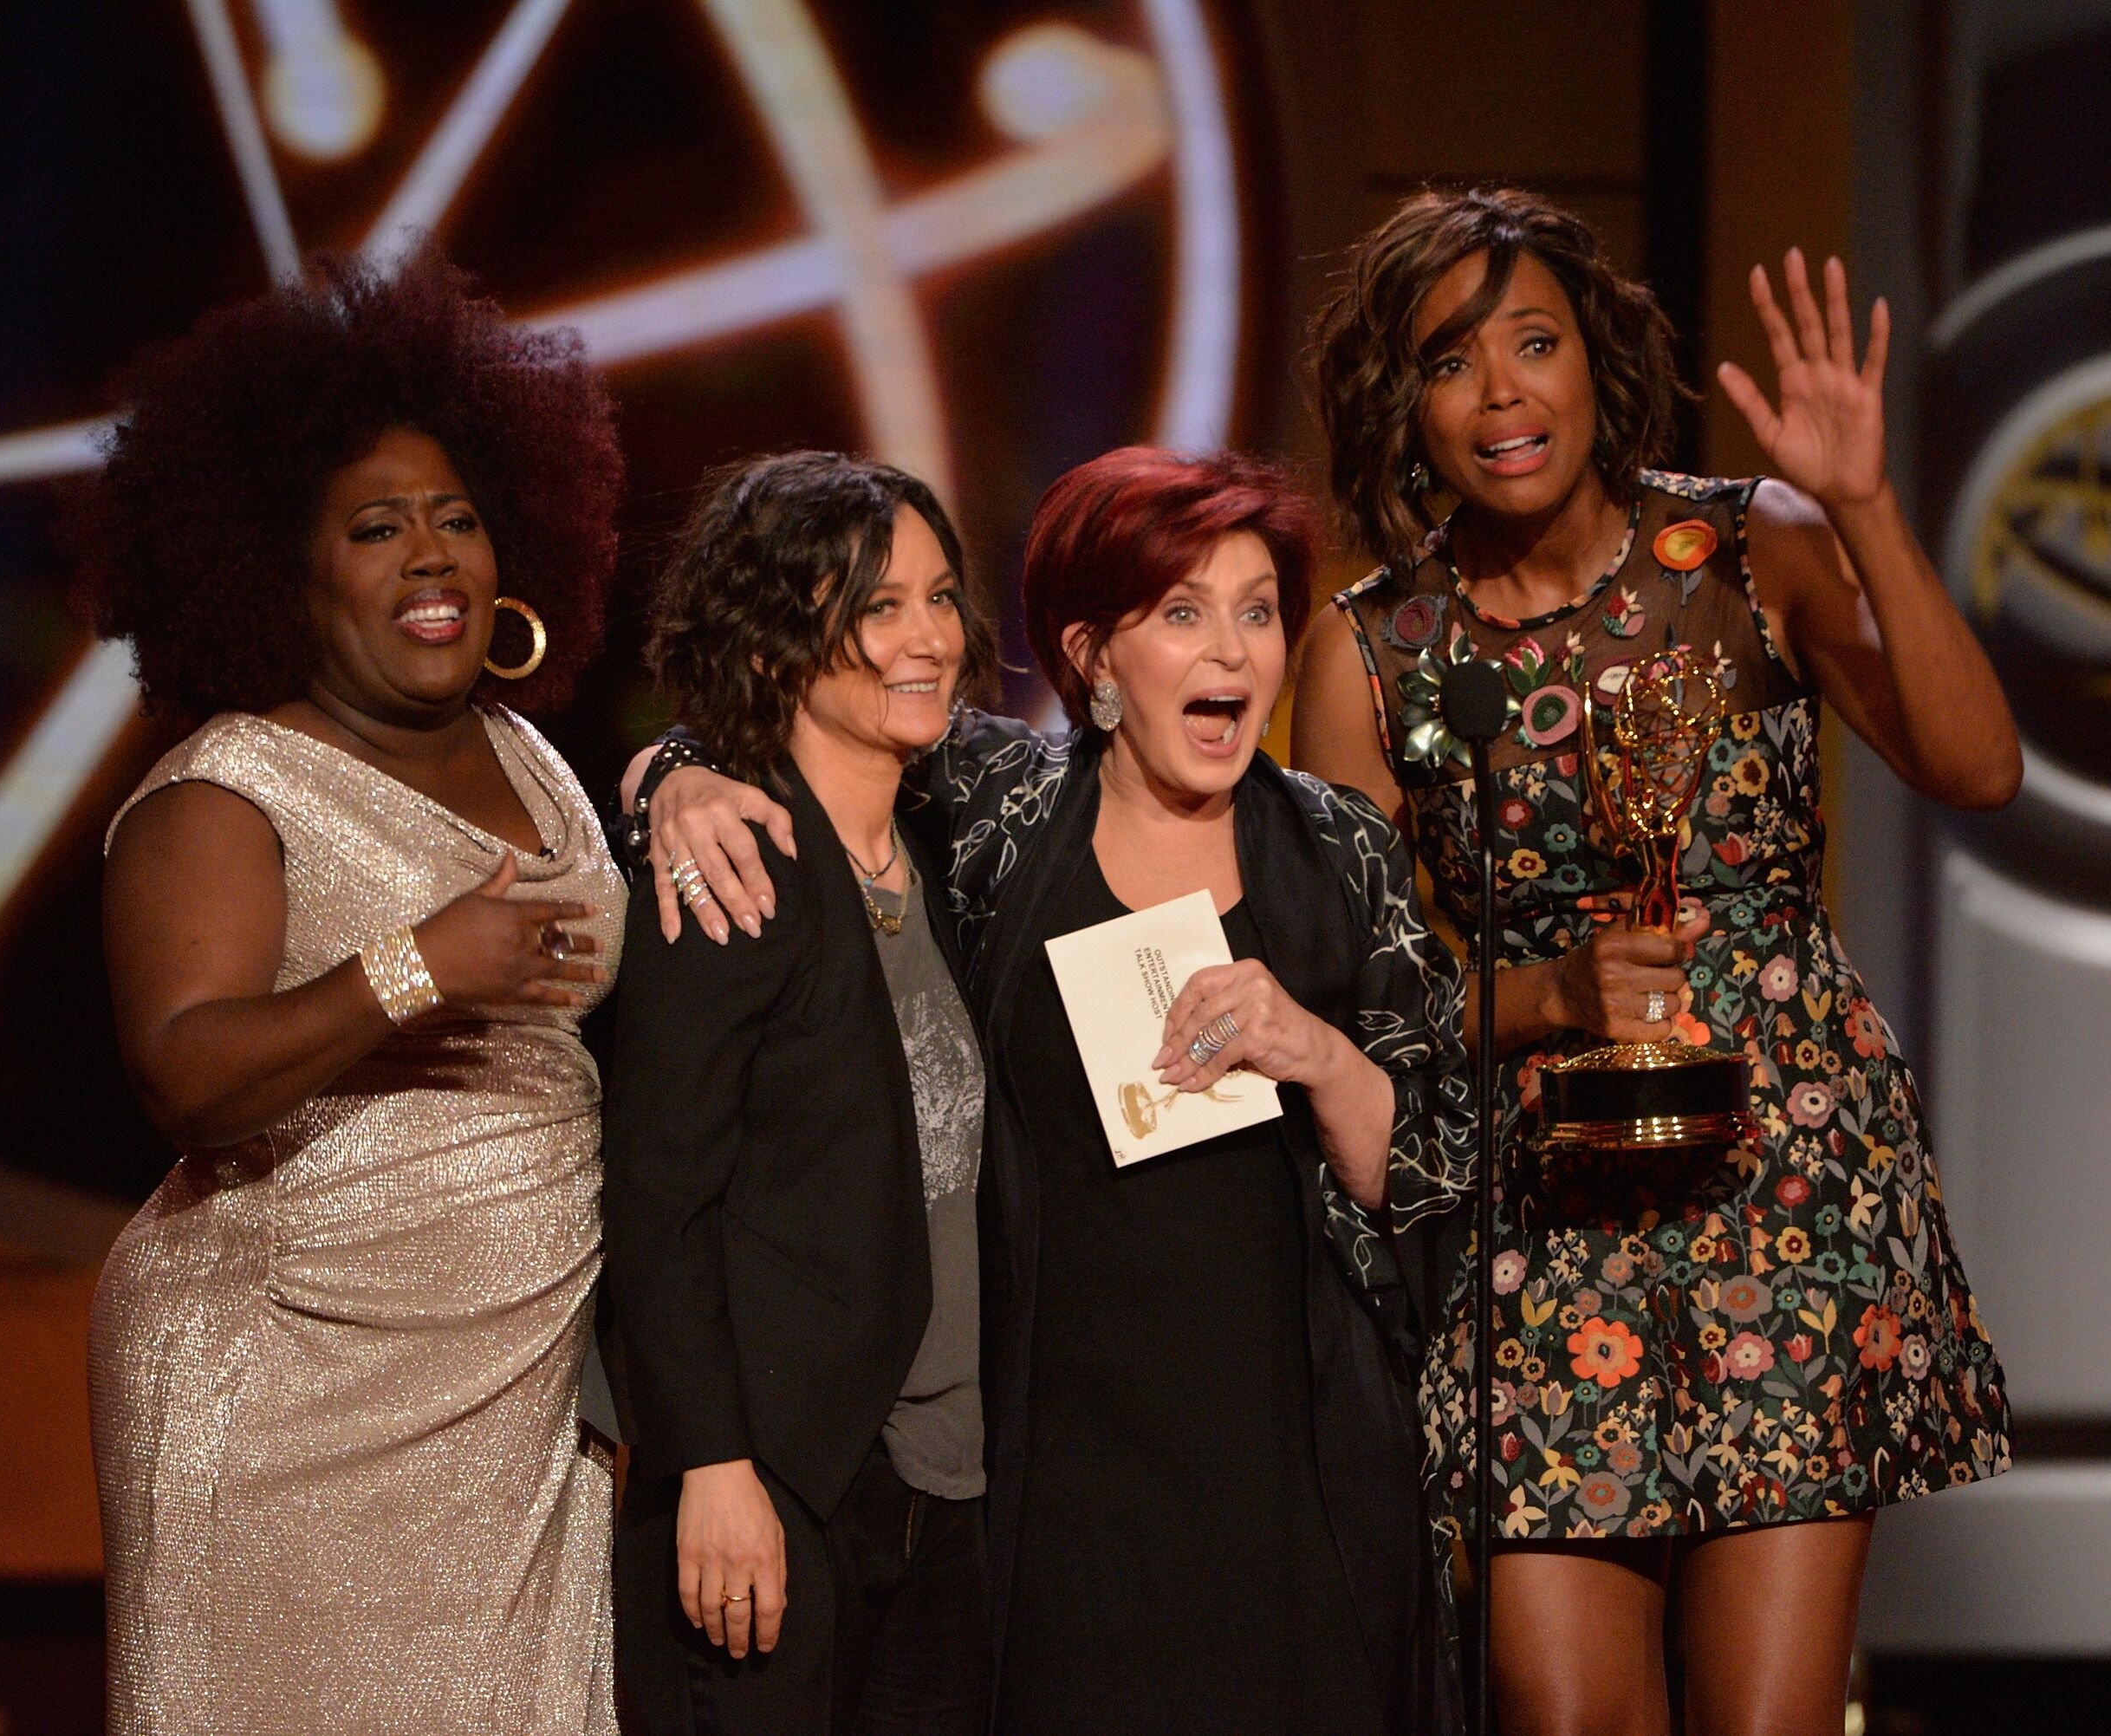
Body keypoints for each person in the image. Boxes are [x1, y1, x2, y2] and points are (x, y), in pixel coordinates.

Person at [1292, 185, 2017, 1735]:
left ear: (1595, 359)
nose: (1502, 396)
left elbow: (1976, 765)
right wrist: (1552, 997)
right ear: (1398, 407)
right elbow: (1368, 1009)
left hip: (1787, 1185)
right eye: (1449, 362)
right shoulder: (1373, 650)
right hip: (1547, 1221)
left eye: (1534, 343)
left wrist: (1871, 511)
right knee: (1564, 1716)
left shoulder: (1753, 551)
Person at [635, 448, 1474, 1735]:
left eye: (1258, 611)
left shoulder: (1339, 846)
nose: (1232, 652)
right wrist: (671, 778)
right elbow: (801, 704)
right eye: (1184, 613)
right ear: (1093, 655)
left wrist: (1313, 1048)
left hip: (1294, 1455)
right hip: (1054, 1468)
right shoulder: (995, 809)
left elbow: (1436, 1170)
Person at [75, 253, 626, 1734]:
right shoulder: (228, 788)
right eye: (377, 529)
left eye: (457, 519)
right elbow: (184, 1073)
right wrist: (416, 967)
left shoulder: (531, 754)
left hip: (508, 1400)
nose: (432, 557)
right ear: (281, 570)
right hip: (287, 1384)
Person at [597, 452, 997, 1734]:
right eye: (877, 607)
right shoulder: (733, 863)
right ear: (776, 645)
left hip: (941, 1489)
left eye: (939, 598)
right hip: (779, 1484)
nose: (925, 636)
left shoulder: (946, 847)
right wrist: (713, 1466)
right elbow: (657, 1202)